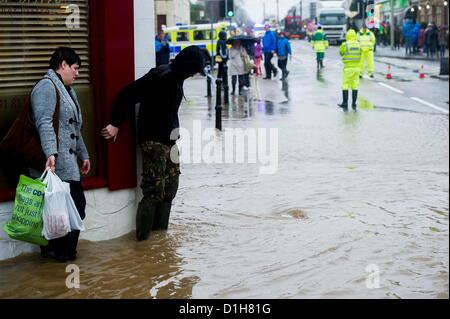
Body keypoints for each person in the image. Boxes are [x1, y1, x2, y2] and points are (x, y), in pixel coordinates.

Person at [101, 46, 206, 241]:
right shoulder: (159, 76)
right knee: (154, 191)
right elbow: (127, 94)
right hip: (153, 141)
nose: (194, 75)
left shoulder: (178, 77)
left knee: (170, 189)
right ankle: (143, 242)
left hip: (171, 140)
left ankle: (159, 239)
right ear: (188, 66)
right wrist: (115, 123)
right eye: (194, 71)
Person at [32, 47, 91, 262]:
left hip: (67, 163)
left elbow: (74, 127)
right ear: (63, 64)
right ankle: (63, 255)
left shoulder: (67, 89)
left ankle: (58, 254)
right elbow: (44, 123)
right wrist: (51, 153)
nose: (77, 73)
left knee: (69, 210)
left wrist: (83, 155)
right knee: (72, 209)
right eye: (75, 68)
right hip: (55, 164)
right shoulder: (46, 87)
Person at [338, 29, 362, 111]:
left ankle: (345, 103)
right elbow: (361, 53)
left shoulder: (345, 45)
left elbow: (341, 53)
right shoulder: (359, 44)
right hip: (357, 68)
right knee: (355, 85)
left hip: (348, 68)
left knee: (345, 84)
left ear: (347, 35)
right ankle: (354, 103)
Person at [216, 29, 229, 94]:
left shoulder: (219, 41)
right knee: (223, 72)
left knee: (219, 72)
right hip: (222, 59)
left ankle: (220, 84)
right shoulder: (223, 42)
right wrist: (225, 59)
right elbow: (223, 52)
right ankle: (223, 85)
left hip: (219, 59)